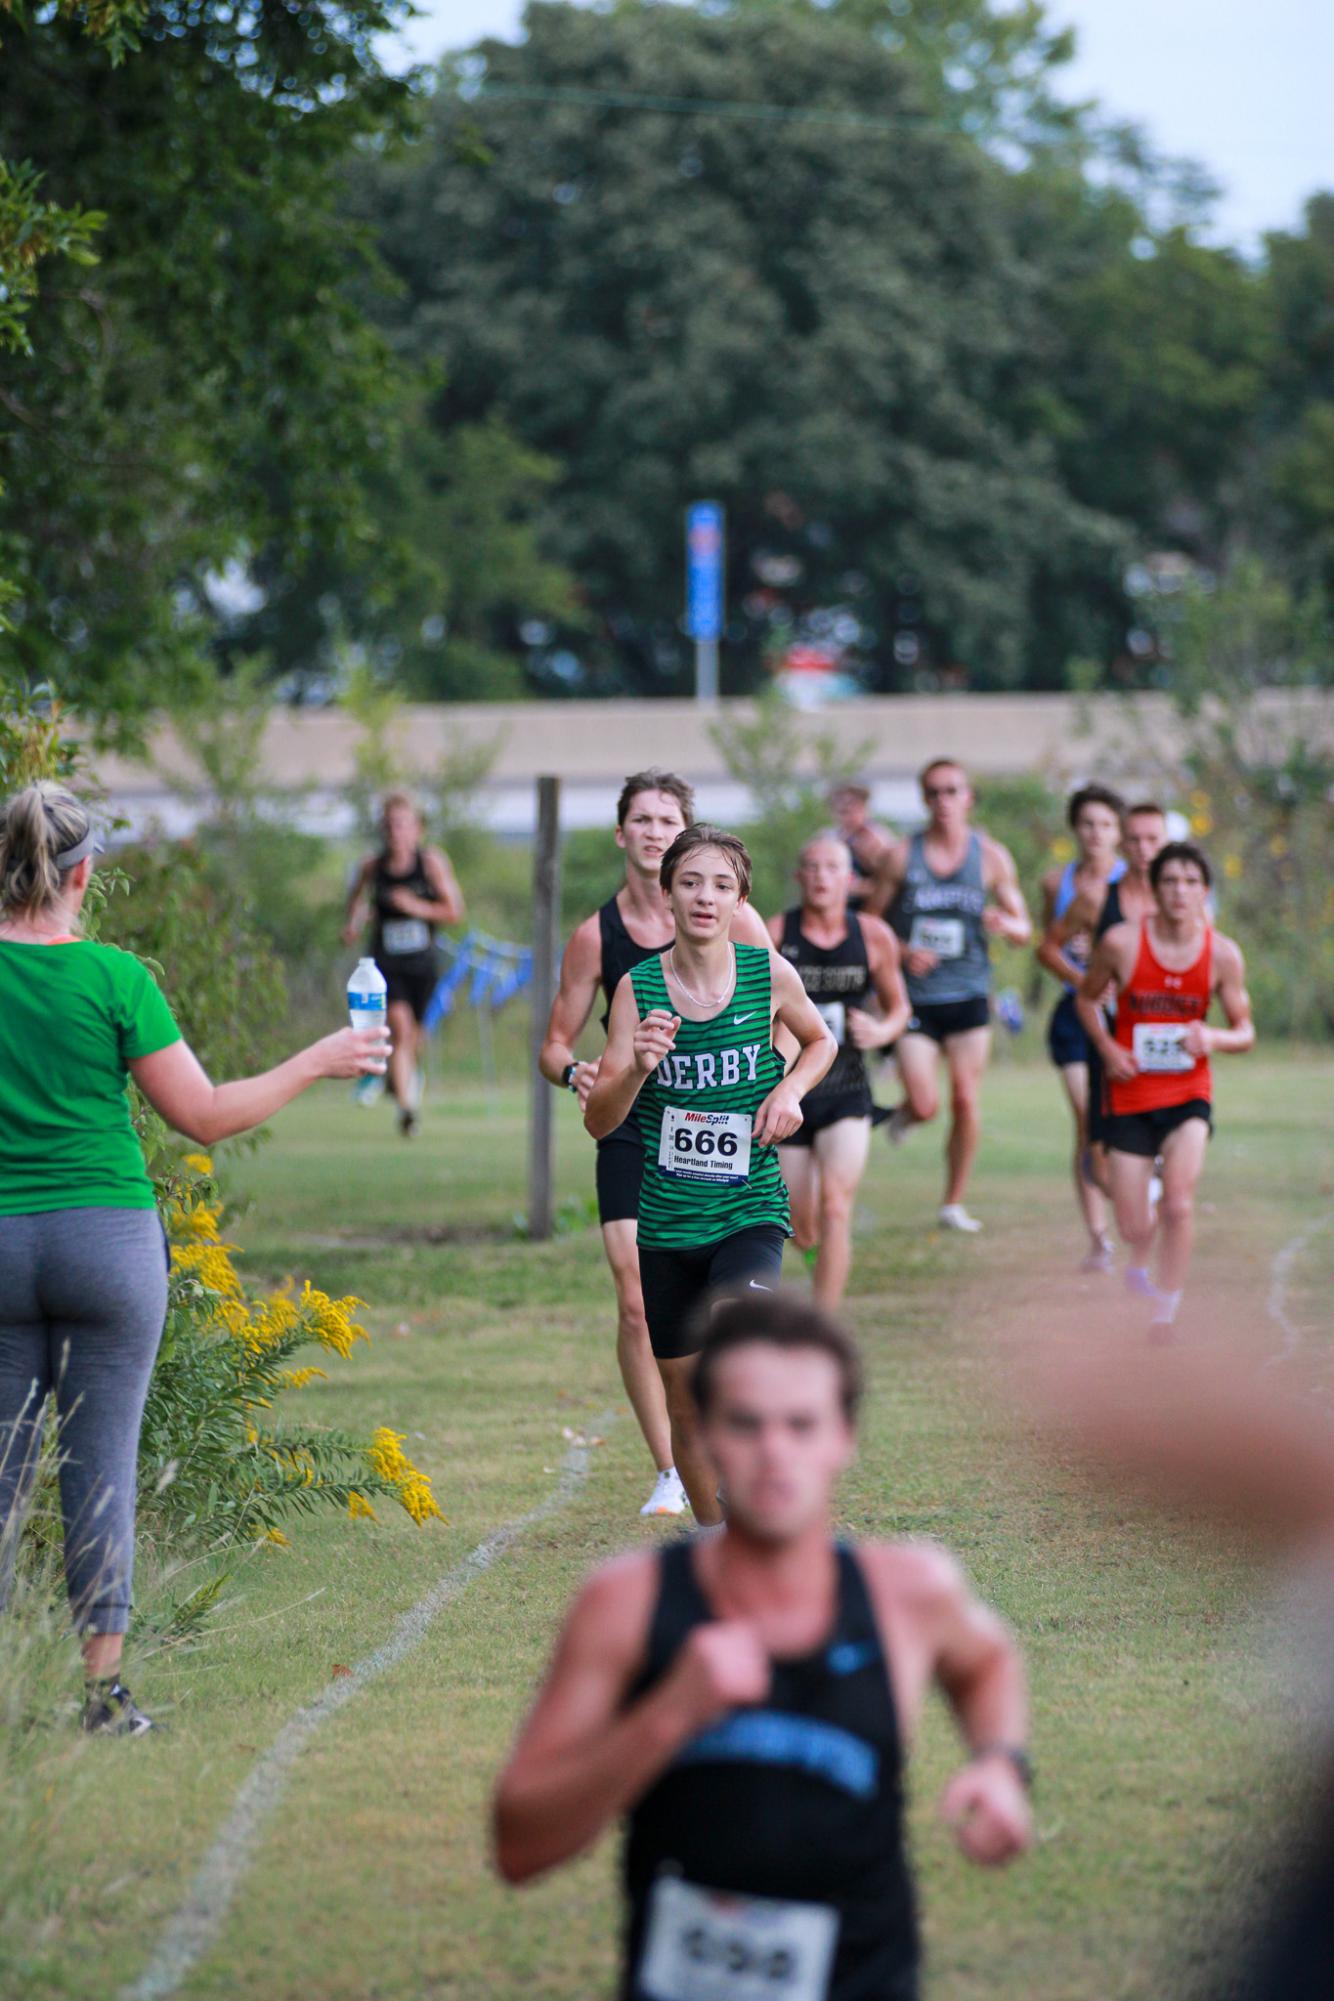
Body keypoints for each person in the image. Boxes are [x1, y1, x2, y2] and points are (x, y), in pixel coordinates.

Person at [493, 1291, 1034, 2001]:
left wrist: (1000, 1764)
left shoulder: (909, 1592)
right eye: (746, 1424)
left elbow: (986, 1660)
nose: (775, 1451)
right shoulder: (626, 1603)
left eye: (802, 1425)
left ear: (845, 1436)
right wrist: (667, 1714)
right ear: (706, 1435)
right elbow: (519, 1842)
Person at [0, 783, 388, 1734]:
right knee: (102, 1470)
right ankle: (102, 1695)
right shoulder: (116, 976)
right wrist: (318, 1059)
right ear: (84, 872)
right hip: (108, 1242)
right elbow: (204, 1116)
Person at [538, 769, 774, 1520]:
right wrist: (583, 1070)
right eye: (638, 819)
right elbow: (553, 1043)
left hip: (720, 1129)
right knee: (638, 1303)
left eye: (666, 818)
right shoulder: (597, 937)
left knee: (730, 1307)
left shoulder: (737, 918)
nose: (651, 831)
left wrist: (774, 1090)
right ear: (622, 835)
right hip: (636, 1120)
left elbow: (771, 1020)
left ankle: (725, 1439)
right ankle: (675, 1467)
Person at [585, 826, 836, 1524]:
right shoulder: (638, 989)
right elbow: (600, 1121)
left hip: (748, 1207)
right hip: (667, 1224)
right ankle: (715, 1539)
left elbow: (821, 1040)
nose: (705, 896)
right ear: (667, 894)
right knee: (685, 1404)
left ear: (740, 900)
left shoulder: (767, 974)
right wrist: (635, 1065)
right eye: (691, 881)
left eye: (722, 884)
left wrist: (787, 1091)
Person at [1076, 841, 1254, 1336]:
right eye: (1170, 881)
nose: (1180, 891)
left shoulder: (1222, 954)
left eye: (1191, 882)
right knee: (1134, 1227)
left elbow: (1245, 1031)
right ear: (1154, 890)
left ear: (1205, 891)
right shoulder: (1120, 943)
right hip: (1130, 1095)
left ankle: (1165, 1311)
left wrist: (1211, 1036)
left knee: (1179, 1204)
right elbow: (1086, 1001)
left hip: (1187, 1094)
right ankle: (1145, 1205)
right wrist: (1109, 1050)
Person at [869, 758, 1031, 1232]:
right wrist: (901, 949)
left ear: (968, 798)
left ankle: (952, 1203)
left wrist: (1005, 923)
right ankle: (904, 1115)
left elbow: (1024, 927)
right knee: (925, 1104)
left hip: (969, 995)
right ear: (924, 799)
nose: (944, 801)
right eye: (934, 792)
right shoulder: (901, 856)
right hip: (917, 1000)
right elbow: (871, 923)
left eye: (952, 791)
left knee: (965, 1100)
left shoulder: (992, 857)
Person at [769, 833, 911, 1308]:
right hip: (789, 1092)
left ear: (851, 880)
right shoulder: (775, 933)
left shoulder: (872, 935)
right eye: (811, 867)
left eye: (832, 868)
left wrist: (881, 1029)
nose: (821, 877)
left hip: (847, 1088)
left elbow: (898, 1008)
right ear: (799, 877)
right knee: (794, 1218)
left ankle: (824, 1320)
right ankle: (816, 1259)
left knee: (835, 1206)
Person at [1053, 801, 1168, 1201]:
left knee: (1164, 1126)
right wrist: (1085, 979)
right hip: (1097, 1023)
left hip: (1159, 1028)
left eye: (1152, 839)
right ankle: (1110, 1224)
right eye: (1135, 839)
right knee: (1095, 1139)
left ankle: (1152, 1195)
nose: (1143, 848)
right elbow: (1048, 946)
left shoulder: (1183, 895)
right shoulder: (1093, 897)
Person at [1034, 784, 1127, 1273]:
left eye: (1106, 824)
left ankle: (1133, 1206)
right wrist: (1082, 979)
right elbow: (1049, 945)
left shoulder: (1136, 883)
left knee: (1118, 1124)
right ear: (1076, 828)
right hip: (1075, 1015)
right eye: (1088, 823)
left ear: (1120, 831)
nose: (1096, 833)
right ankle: (1098, 1239)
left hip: (1124, 1018)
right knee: (1087, 1121)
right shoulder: (1057, 882)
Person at [341, 792, 464, 1136]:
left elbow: (454, 911)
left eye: (403, 824)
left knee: (413, 1039)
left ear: (417, 829)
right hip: (386, 964)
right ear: (383, 829)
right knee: (399, 1026)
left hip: (423, 965)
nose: (396, 832)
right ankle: (408, 1110)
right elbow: (355, 898)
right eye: (391, 825)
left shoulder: (431, 864)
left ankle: (400, 1082)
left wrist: (415, 906)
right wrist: (353, 923)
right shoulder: (372, 866)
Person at [829, 783, 895, 907]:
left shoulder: (877, 839)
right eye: (840, 810)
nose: (845, 815)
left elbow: (888, 883)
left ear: (864, 808)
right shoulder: (833, 838)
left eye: (850, 808)